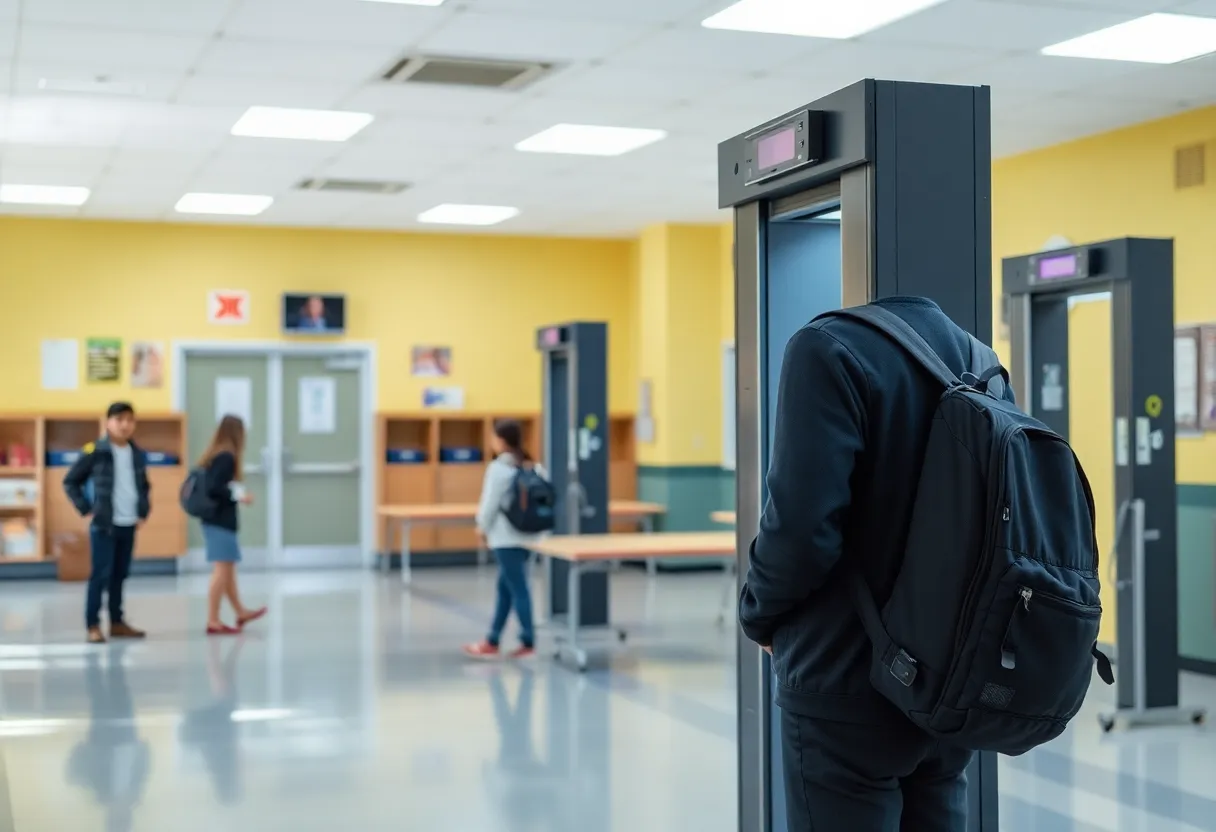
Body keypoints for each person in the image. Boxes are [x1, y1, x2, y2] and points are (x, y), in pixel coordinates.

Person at [739, 297, 1016, 832]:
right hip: (947, 685)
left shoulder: (824, 349)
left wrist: (759, 614)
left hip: (842, 680)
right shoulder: (983, 364)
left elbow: (801, 531)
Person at [64, 402, 150, 644]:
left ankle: (117, 622)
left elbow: (144, 485)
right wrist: (86, 509)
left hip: (129, 522)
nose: (125, 425)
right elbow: (70, 481)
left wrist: (143, 511)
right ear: (108, 422)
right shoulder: (95, 451)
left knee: (120, 574)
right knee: (100, 574)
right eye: (119, 419)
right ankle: (92, 625)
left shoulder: (137, 453)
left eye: (129, 420)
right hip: (104, 524)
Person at [463, 420, 547, 660]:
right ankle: (492, 639)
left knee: (518, 588)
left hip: (505, 538)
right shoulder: (533, 466)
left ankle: (528, 641)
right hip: (528, 537)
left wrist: (481, 527)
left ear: (501, 440)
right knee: (506, 589)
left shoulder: (498, 469)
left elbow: (489, 504)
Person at [195, 415, 267, 636]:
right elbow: (216, 488)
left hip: (215, 520)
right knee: (221, 570)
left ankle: (240, 611)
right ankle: (213, 620)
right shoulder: (226, 456)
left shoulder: (216, 454)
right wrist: (240, 497)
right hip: (220, 521)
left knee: (228, 570)